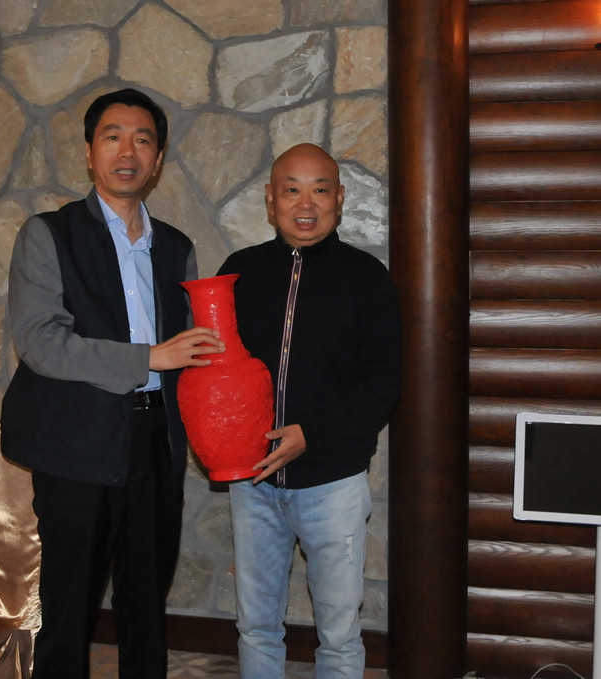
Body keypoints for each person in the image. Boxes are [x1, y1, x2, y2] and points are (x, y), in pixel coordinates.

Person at [0, 88, 224, 679]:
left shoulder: (176, 248)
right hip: (76, 442)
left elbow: (194, 351)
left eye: (143, 140)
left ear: (158, 158)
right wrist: (150, 357)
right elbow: (41, 342)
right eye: (113, 137)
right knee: (69, 606)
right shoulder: (47, 234)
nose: (128, 151)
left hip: (156, 441)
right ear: (89, 152)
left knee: (147, 600)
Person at [217, 143, 402, 678]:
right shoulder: (238, 272)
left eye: (319, 190)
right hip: (253, 480)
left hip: (333, 484)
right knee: (256, 625)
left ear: (339, 199)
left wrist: (311, 434)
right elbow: (215, 370)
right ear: (270, 199)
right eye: (291, 189)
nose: (305, 203)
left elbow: (384, 382)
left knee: (339, 634)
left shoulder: (367, 277)